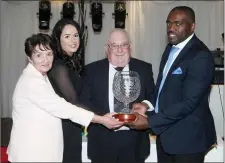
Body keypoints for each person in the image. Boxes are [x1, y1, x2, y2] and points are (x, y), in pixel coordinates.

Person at [7, 33, 123, 162]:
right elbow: (62, 107)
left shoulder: (41, 76)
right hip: (32, 153)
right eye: (38, 55)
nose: (45, 60)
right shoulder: (32, 81)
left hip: (40, 150)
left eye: (49, 54)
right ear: (29, 58)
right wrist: (101, 119)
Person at [128, 6, 217, 163]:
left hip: (189, 140)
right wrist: (147, 104)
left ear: (192, 26)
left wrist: (149, 121)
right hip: (166, 136)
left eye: (178, 23)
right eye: (169, 23)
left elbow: (188, 103)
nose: (171, 28)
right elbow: (162, 88)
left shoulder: (200, 56)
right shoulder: (170, 49)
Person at [80, 29, 155, 163]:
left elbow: (154, 96)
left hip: (135, 142)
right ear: (106, 48)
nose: (119, 50)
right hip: (102, 142)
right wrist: (102, 119)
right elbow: (84, 101)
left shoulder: (144, 68)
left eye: (124, 45)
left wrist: (145, 105)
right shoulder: (91, 70)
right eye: (114, 45)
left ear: (130, 47)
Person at [48, 18, 85, 163]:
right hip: (63, 127)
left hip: (71, 123)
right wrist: (102, 116)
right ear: (58, 39)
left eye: (76, 35)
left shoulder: (71, 62)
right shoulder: (58, 65)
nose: (73, 40)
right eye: (67, 36)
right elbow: (73, 101)